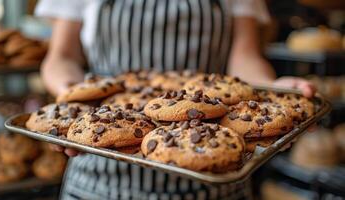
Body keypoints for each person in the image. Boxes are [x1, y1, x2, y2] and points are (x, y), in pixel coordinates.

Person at [35, 0, 316, 199]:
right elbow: (61, 57)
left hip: (213, 179)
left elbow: (245, 57)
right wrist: (72, 98)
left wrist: (270, 90)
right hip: (99, 178)